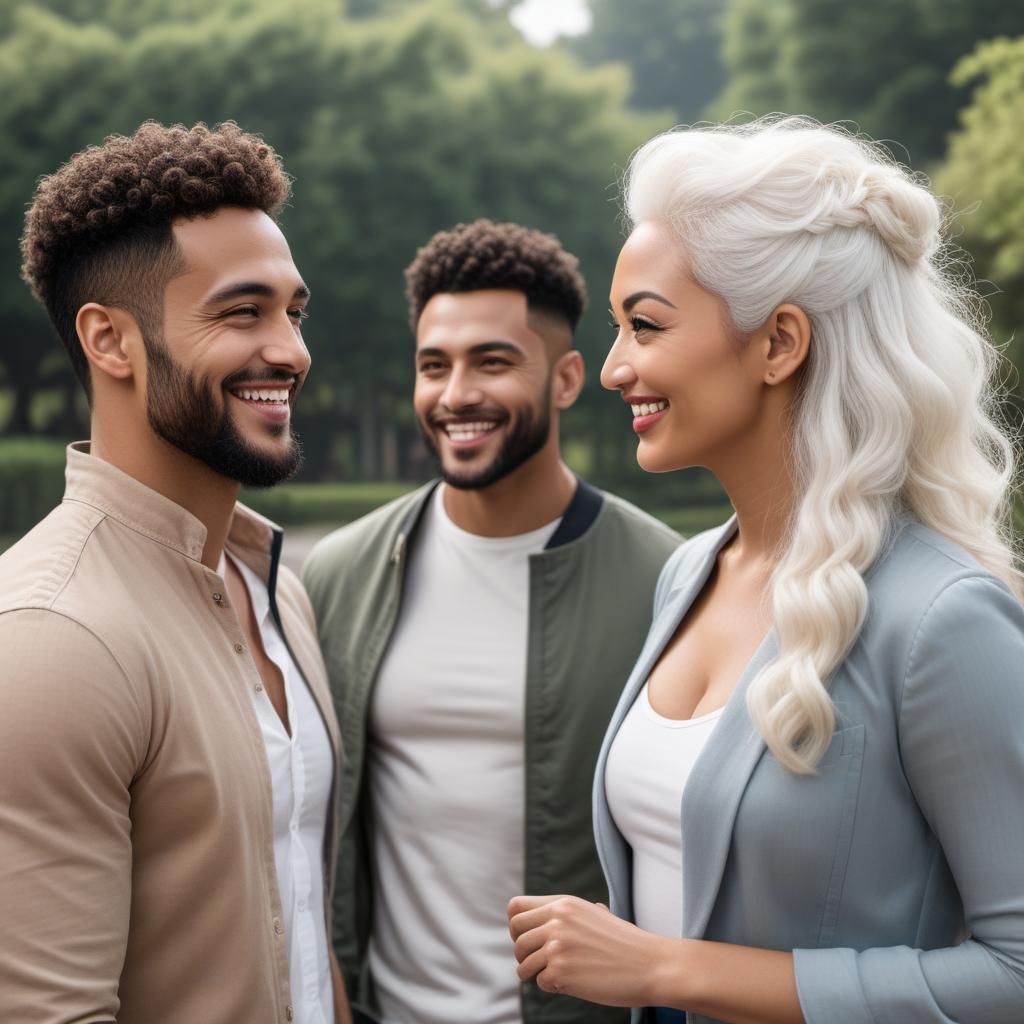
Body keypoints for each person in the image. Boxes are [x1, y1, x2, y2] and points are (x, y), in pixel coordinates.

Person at [508, 117, 1024, 1024]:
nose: (616, 367)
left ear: (779, 343)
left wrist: (666, 970)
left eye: (646, 326)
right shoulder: (689, 573)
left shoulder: (942, 619)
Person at [1, 121, 351, 1024]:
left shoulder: (276, 588)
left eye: (294, 311)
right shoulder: (51, 637)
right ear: (110, 341)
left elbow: (299, 921)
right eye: (243, 312)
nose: (292, 351)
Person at [302, 219, 680, 1024]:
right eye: (433, 365)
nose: (456, 394)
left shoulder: (667, 582)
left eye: (493, 362)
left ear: (569, 378)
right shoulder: (341, 573)